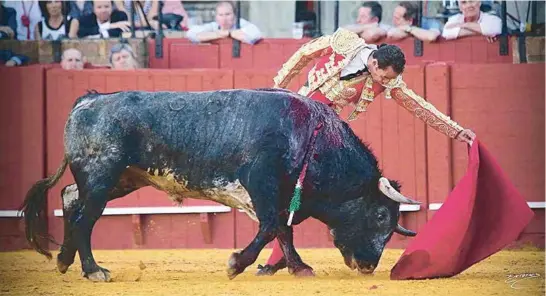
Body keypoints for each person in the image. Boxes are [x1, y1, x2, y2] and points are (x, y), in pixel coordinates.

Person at [257, 27, 476, 276]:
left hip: (323, 134)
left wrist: (456, 131)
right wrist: (276, 90)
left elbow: (417, 105)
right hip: (294, 119)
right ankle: (283, 253)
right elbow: (303, 55)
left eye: (388, 79)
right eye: (382, 76)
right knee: (283, 183)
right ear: (373, 62)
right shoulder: (345, 43)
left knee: (302, 188)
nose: (384, 82)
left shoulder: (388, 80)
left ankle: (282, 255)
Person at [186, 1, 262, 45]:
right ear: (216, 17)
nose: (224, 18)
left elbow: (255, 34)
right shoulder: (214, 26)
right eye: (221, 15)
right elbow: (191, 34)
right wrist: (218, 34)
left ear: (234, 15)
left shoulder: (241, 23)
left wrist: (229, 34)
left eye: (227, 14)